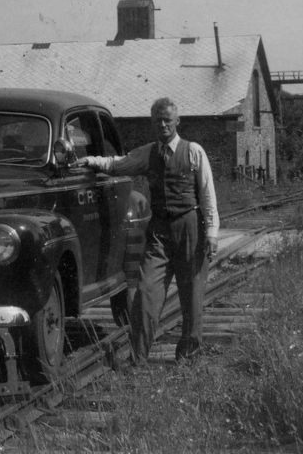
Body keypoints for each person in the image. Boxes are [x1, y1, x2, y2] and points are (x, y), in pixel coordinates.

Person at [77, 97, 219, 364]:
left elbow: (208, 195)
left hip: (190, 229)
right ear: (152, 123)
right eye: (157, 121)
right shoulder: (148, 153)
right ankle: (138, 357)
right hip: (159, 233)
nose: (163, 125)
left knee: (192, 298)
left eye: (167, 120)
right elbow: (118, 164)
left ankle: (188, 358)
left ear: (177, 121)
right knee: (146, 294)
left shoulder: (193, 152)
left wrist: (211, 233)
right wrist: (91, 161)